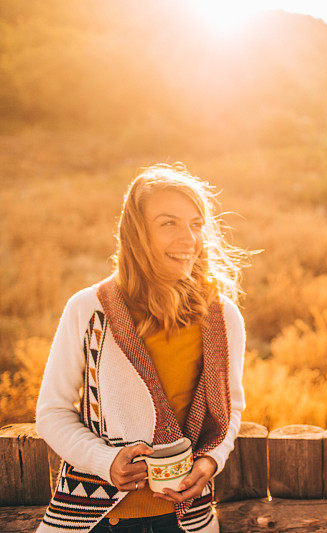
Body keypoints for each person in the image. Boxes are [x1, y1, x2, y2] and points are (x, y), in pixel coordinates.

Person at [36, 164, 249, 532]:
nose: (189, 239)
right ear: (135, 233)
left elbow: (230, 410)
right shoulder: (89, 310)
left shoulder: (223, 317)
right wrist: (106, 461)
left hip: (188, 517)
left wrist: (212, 460)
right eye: (168, 223)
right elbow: (52, 412)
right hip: (98, 518)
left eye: (196, 224)